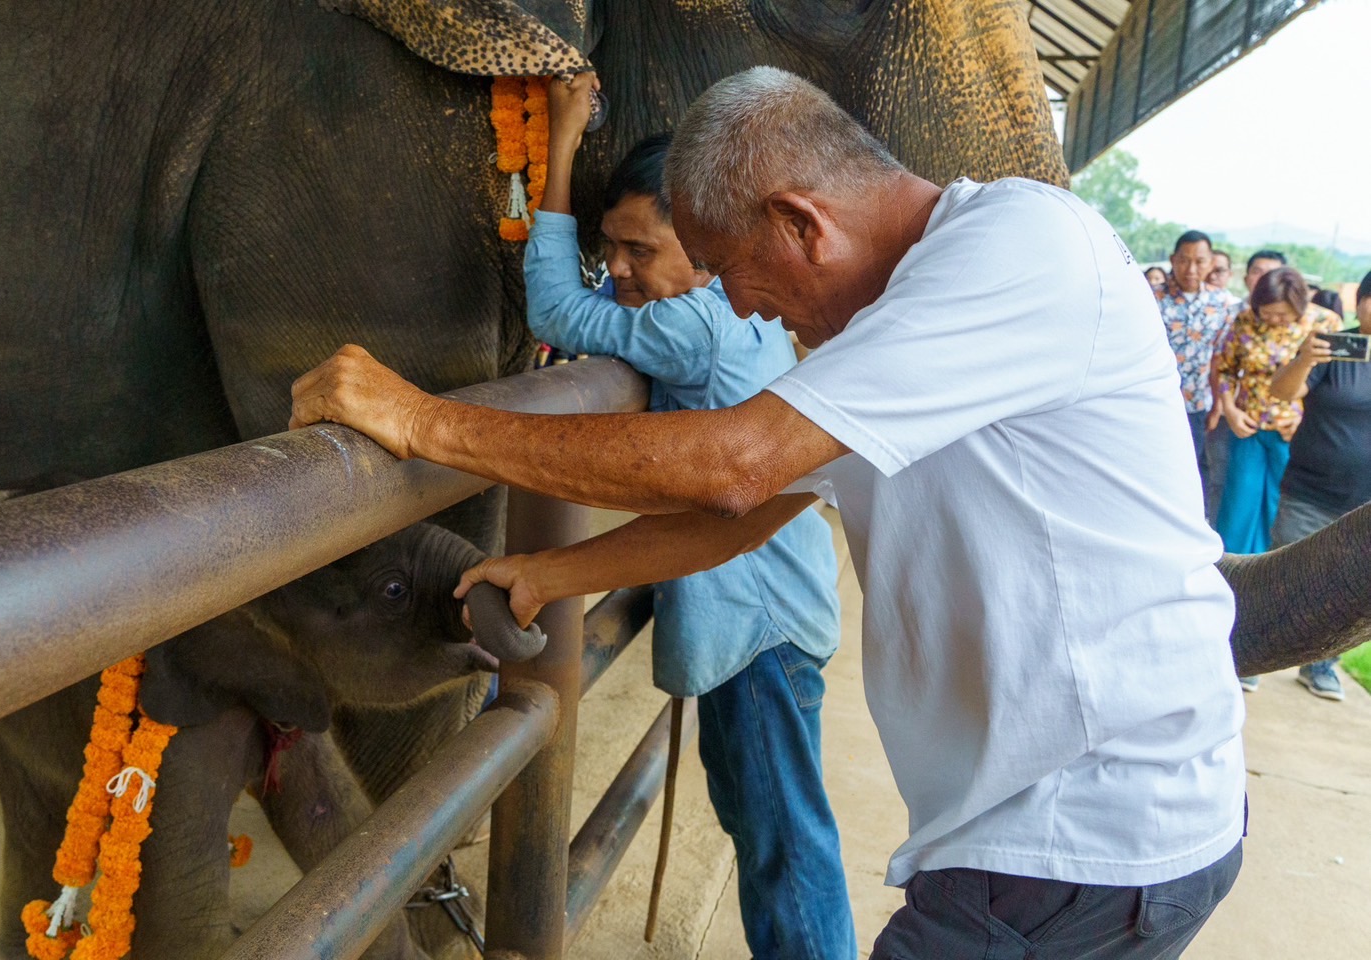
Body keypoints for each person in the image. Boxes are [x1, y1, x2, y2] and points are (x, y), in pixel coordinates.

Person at [293, 66, 1244, 959]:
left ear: (801, 223)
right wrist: (556, 573)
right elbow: (752, 511)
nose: (740, 307)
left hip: (1081, 837)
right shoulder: (898, 316)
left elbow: (735, 468)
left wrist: (420, 420)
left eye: (725, 265)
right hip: (1053, 829)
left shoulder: (1018, 250)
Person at [522, 78, 853, 960]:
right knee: (769, 828)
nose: (621, 269)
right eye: (611, 248)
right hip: (774, 616)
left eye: (641, 249)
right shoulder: (722, 313)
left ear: (706, 250)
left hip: (761, 629)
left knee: (783, 844)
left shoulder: (692, 326)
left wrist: (559, 143)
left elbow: (553, 310)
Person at [1257, 270, 1371, 700]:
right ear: (1359, 302)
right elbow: (1282, 392)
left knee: (1349, 594)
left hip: (1364, 506)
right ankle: (1251, 658)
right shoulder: (1334, 349)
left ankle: (1321, 666)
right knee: (1282, 577)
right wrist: (1304, 358)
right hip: (1309, 491)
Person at [1213, 266, 1343, 556]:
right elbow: (1225, 369)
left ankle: (1272, 573)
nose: (1273, 320)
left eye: (1282, 315)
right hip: (1249, 425)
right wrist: (1231, 410)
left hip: (1296, 433)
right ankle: (1233, 569)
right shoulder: (1245, 320)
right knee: (1238, 505)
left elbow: (1332, 381)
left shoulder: (1326, 322)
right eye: (1266, 313)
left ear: (1299, 306)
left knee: (1280, 509)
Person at [1156, 230, 1238, 491]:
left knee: (1190, 469)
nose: (1191, 269)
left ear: (1211, 262)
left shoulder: (1222, 303)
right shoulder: (1150, 297)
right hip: (1154, 399)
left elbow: (1218, 358)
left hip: (1196, 404)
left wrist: (1217, 406)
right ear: (1172, 259)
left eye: (1199, 261)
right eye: (1183, 260)